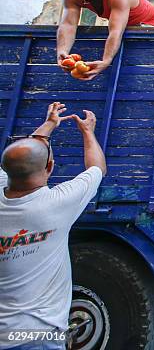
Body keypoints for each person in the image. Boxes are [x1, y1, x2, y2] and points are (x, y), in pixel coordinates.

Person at [0, 102, 106, 350]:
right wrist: (88, 132)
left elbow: (22, 158)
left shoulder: (6, 182)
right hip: (38, 336)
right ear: (50, 167)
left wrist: (47, 126)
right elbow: (97, 169)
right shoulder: (56, 205)